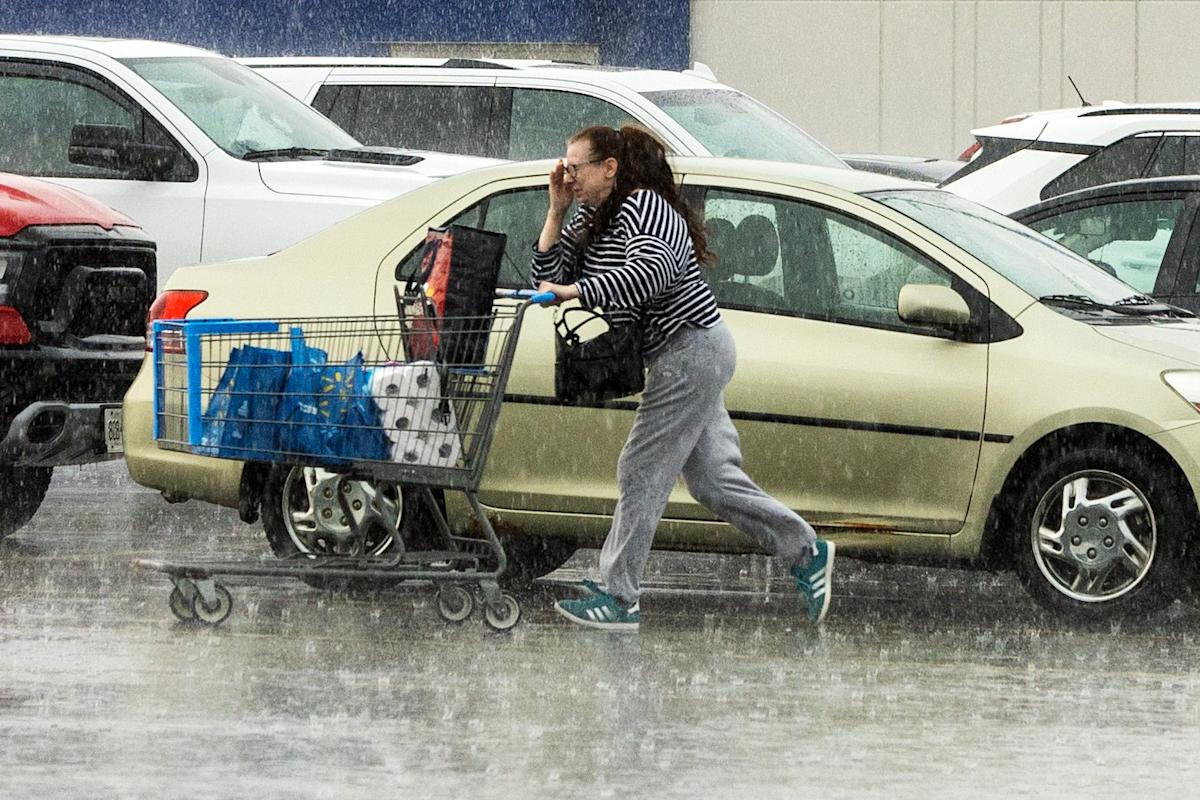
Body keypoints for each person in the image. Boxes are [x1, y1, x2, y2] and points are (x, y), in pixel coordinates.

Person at [531, 125, 834, 631]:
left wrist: (576, 293)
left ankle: (619, 595)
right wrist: (556, 211)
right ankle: (806, 552)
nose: (568, 174)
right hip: (686, 354)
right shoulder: (595, 215)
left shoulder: (644, 205)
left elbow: (652, 271)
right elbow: (546, 272)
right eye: (564, 166)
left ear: (610, 167)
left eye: (576, 166)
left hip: (691, 347)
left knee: (640, 467)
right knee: (713, 481)